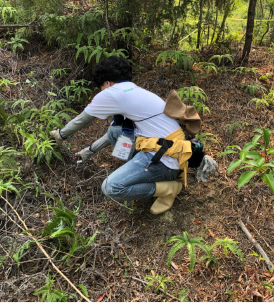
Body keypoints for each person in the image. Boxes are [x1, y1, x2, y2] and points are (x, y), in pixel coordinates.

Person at [50, 56, 199, 215]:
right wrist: (89, 150)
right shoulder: (135, 91)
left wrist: (60, 134)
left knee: (110, 188)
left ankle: (168, 189)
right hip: (172, 152)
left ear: (107, 83)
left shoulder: (111, 93)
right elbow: (114, 134)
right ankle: (139, 173)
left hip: (164, 162)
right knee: (115, 132)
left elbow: (82, 120)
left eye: (101, 86)